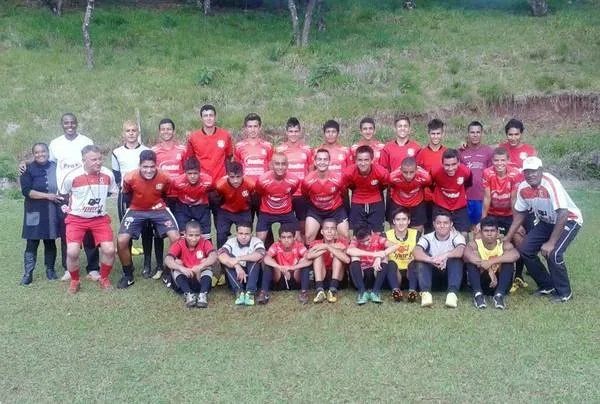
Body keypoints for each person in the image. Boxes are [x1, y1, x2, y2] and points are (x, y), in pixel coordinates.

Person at [23, 114, 100, 282]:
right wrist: (25, 163)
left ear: (77, 123)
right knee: (67, 232)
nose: (70, 125)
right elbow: (43, 158)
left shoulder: (86, 140)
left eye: (72, 122)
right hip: (64, 195)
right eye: (66, 123)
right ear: (62, 125)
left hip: (86, 192)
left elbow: (95, 161)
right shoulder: (55, 143)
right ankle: (68, 268)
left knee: (89, 231)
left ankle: (93, 268)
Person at [505, 157, 583, 303]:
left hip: (569, 219)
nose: (531, 175)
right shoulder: (523, 188)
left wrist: (551, 242)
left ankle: (564, 293)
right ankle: (547, 285)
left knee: (553, 254)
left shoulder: (551, 183)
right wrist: (507, 237)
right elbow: (521, 213)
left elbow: (563, 213)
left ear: (541, 171)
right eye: (527, 172)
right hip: (546, 222)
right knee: (526, 250)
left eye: (534, 171)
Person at [58, 145, 119, 294]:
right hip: (76, 219)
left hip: (99, 218)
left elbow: (112, 192)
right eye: (93, 159)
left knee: (110, 250)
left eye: (100, 159)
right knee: (72, 252)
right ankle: (74, 281)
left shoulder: (108, 174)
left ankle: (104, 278)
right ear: (83, 160)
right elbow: (63, 194)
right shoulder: (72, 176)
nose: (98, 162)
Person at [116, 150, 180, 289]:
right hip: (136, 209)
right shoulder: (129, 177)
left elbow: (169, 196)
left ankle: (168, 272)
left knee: (175, 237)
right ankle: (128, 274)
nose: (149, 170)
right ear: (139, 165)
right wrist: (133, 210)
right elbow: (126, 197)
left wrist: (159, 211)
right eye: (145, 167)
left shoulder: (165, 177)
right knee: (121, 240)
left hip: (158, 209)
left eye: (152, 166)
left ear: (156, 165)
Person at [111, 121, 156, 279]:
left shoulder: (146, 150)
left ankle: (147, 264)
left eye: (134, 130)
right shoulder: (116, 152)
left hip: (146, 195)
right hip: (127, 196)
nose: (131, 133)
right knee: (127, 231)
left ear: (138, 132)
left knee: (147, 230)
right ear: (123, 133)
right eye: (128, 131)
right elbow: (117, 177)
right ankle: (128, 264)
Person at [482, 147, 528, 290]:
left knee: (518, 238)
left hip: (509, 214)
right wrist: (482, 222)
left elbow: (514, 200)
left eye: (503, 160)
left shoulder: (515, 174)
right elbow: (487, 198)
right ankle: (483, 272)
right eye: (496, 160)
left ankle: (518, 275)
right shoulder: (487, 173)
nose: (499, 163)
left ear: (508, 161)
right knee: (480, 236)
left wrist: (517, 223)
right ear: (492, 161)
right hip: (493, 214)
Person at [19, 143, 61, 284]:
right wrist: (47, 196)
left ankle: (50, 270)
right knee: (32, 242)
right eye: (36, 152)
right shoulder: (27, 169)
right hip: (34, 211)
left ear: (48, 152)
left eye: (43, 151)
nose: (40, 154)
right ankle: (28, 273)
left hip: (51, 211)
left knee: (50, 241)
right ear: (33, 154)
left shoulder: (55, 167)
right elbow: (26, 191)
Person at [185, 104, 233, 220]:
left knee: (221, 225)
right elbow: (191, 160)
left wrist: (228, 181)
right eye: (205, 116)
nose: (209, 118)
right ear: (201, 118)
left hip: (219, 187)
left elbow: (228, 157)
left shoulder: (225, 135)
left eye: (211, 115)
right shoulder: (193, 137)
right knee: (202, 224)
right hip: (201, 187)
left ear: (215, 117)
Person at [152, 118, 186, 278]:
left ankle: (177, 262)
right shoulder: (154, 151)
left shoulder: (182, 150)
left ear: (173, 131)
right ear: (159, 132)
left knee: (178, 232)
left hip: (179, 197)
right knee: (159, 232)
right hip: (161, 198)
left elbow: (187, 172)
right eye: (163, 129)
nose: (166, 132)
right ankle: (160, 266)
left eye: (169, 129)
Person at [412, 211, 466, 308]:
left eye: (445, 223)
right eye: (439, 223)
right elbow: (416, 251)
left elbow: (461, 250)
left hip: (451, 276)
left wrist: (445, 255)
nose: (442, 226)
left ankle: (452, 295)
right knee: (422, 259)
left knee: (456, 259)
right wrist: (431, 260)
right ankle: (426, 294)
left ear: (451, 224)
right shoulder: (427, 237)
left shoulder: (457, 236)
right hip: (433, 276)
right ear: (434, 224)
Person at [463, 216, 520, 310]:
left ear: (497, 233)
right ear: (481, 233)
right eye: (486, 231)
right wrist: (489, 269)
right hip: (482, 282)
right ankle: (478, 295)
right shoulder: (475, 244)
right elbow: (466, 255)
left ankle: (499, 295)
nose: (489, 234)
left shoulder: (504, 244)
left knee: (508, 261)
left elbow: (516, 255)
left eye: (492, 231)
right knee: (472, 260)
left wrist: (490, 262)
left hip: (501, 283)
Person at [164, 220, 217, 308]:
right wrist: (182, 268)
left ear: (201, 234)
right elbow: (167, 259)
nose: (194, 238)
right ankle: (189, 294)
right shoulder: (179, 243)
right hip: (184, 279)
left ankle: (202, 295)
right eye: (190, 235)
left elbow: (214, 256)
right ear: (184, 234)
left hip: (199, 278)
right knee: (177, 263)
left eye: (197, 235)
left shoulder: (205, 242)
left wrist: (201, 266)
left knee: (206, 263)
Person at [276, 117, 313, 241]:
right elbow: (275, 171)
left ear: (300, 131)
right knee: (287, 227)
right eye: (291, 131)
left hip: (302, 193)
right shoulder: (280, 150)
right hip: (286, 194)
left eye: (296, 131)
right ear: (286, 132)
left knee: (303, 226)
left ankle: (303, 251)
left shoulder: (307, 150)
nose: (293, 134)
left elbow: (311, 171)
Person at [302, 149, 349, 243]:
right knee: (309, 236)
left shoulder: (338, 179)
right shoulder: (307, 181)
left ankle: (343, 257)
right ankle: (312, 256)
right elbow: (306, 196)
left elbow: (343, 194)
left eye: (325, 159)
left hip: (335, 210)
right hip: (316, 210)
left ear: (329, 162)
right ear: (314, 162)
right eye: (319, 159)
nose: (322, 162)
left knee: (345, 235)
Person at [347, 227, 400, 305]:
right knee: (354, 256)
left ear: (371, 233)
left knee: (385, 257)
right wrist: (374, 254)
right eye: (362, 242)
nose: (365, 243)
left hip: (376, 274)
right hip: (361, 277)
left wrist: (380, 255)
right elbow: (349, 251)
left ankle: (375, 292)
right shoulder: (355, 240)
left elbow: (396, 246)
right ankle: (362, 293)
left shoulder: (378, 238)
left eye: (368, 240)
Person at [261, 224, 312, 305]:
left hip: (295, 278)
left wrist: (292, 267)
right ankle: (264, 293)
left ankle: (304, 292)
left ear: (294, 238)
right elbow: (266, 258)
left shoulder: (299, 245)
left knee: (304, 262)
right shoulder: (276, 245)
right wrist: (279, 266)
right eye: (283, 237)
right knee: (269, 262)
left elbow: (309, 260)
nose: (286, 240)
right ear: (279, 238)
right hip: (279, 278)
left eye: (289, 237)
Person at [254, 153, 301, 242]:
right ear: (271, 165)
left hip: (286, 212)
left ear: (287, 165)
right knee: (259, 240)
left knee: (298, 238)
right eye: (277, 164)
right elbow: (260, 193)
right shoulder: (262, 180)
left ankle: (296, 255)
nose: (280, 167)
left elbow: (291, 192)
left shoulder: (294, 180)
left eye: (283, 164)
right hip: (266, 212)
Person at [218, 222, 266, 306]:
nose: (243, 236)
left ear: (251, 233)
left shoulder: (256, 241)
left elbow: (259, 254)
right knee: (227, 259)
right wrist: (237, 266)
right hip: (236, 276)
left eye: (247, 234)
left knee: (254, 258)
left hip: (253, 277)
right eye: (240, 233)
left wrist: (238, 259)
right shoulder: (231, 241)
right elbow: (221, 255)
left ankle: (250, 293)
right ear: (236, 233)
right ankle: (239, 292)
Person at [343, 145, 389, 233]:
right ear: (355, 160)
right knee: (359, 235)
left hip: (376, 201)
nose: (363, 163)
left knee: (377, 234)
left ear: (371, 160)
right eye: (360, 160)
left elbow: (384, 186)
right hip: (357, 202)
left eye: (366, 160)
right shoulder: (348, 173)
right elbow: (350, 186)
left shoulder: (381, 172)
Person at [169, 156, 214, 240]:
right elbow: (172, 197)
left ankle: (207, 252)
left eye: (195, 173)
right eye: (189, 173)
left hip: (201, 206)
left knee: (205, 236)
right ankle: (182, 252)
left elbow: (212, 193)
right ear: (185, 173)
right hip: (183, 207)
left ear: (200, 172)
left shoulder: (208, 181)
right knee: (183, 236)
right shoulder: (177, 182)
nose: (192, 176)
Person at [458, 121, 493, 230]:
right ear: (468, 134)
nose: (475, 135)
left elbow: (492, 175)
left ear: (482, 133)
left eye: (478, 132)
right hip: (465, 197)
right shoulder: (461, 152)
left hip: (482, 197)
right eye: (472, 132)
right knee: (464, 230)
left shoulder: (488, 151)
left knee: (480, 228)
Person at [307, 219, 350, 304]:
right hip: (322, 277)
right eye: (326, 229)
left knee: (338, 255)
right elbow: (309, 256)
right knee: (318, 256)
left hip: (338, 279)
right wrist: (327, 247)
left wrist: (327, 247)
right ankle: (320, 290)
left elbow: (347, 260)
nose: (329, 231)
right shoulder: (316, 242)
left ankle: (333, 290)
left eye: (332, 229)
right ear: (322, 231)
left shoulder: (342, 242)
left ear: (336, 232)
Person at [431, 148, 472, 237]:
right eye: (447, 165)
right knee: (440, 233)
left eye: (454, 164)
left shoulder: (466, 171)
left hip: (459, 206)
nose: (450, 168)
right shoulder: (435, 171)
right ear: (442, 164)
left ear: (459, 163)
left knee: (464, 235)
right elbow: (431, 185)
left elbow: (468, 184)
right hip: (441, 205)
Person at [416, 118, 447, 231]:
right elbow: (417, 175)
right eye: (433, 134)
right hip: (425, 198)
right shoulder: (421, 153)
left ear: (442, 134)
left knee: (441, 230)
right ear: (428, 134)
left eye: (438, 133)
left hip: (443, 199)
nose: (435, 136)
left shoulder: (447, 152)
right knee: (428, 229)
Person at [214, 162, 255, 248]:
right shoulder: (220, 185)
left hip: (243, 211)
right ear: (227, 175)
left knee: (245, 235)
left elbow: (253, 199)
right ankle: (222, 257)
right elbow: (217, 200)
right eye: (232, 177)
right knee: (221, 235)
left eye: (238, 177)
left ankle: (245, 255)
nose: (235, 180)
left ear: (243, 175)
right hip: (225, 211)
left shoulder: (251, 184)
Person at [387, 157, 431, 232]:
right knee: (394, 232)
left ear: (416, 170)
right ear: (401, 170)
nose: (408, 175)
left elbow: (426, 185)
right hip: (398, 202)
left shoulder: (425, 177)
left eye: (411, 172)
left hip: (417, 203)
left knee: (417, 233)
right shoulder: (392, 177)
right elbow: (391, 186)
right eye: (405, 172)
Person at [385, 207, 420, 303]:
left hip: (411, 273)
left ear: (409, 221)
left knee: (414, 262)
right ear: (393, 221)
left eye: (404, 219)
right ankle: (396, 291)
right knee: (390, 263)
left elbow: (421, 252)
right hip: (394, 274)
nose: (401, 223)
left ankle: (412, 292)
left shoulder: (416, 234)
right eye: (398, 219)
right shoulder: (386, 235)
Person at [234, 113, 273, 182]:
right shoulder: (238, 146)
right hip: (246, 186)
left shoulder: (268, 146)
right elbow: (237, 170)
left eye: (255, 126)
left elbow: (271, 170)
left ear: (260, 128)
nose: (253, 130)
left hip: (263, 186)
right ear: (245, 128)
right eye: (250, 126)